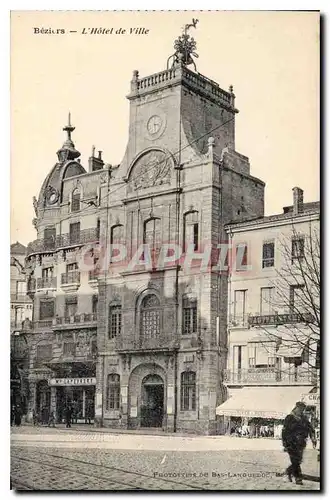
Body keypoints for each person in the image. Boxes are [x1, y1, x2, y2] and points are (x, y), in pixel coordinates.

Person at [282, 401, 317, 485]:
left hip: (301, 443)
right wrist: (285, 443)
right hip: (291, 443)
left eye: (303, 409)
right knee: (295, 460)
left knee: (298, 460)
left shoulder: (304, 419)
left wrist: (313, 438)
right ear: (296, 408)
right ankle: (298, 478)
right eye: (300, 409)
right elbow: (284, 432)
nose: (301, 411)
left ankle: (288, 472)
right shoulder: (289, 417)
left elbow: (310, 429)